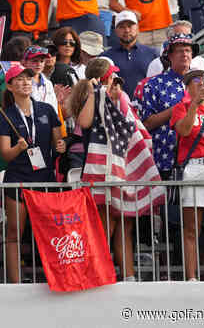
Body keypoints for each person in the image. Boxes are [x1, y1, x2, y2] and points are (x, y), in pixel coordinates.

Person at [69, 58, 136, 282]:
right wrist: (95, 93)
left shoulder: (118, 100)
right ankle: (96, 272)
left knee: (123, 224)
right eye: (110, 78)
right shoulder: (93, 98)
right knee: (104, 224)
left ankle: (128, 276)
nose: (115, 83)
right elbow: (84, 122)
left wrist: (115, 98)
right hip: (98, 171)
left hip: (120, 170)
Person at [0, 65, 64, 283]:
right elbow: (6, 154)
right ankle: (16, 283)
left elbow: (58, 142)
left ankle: (54, 277)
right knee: (15, 232)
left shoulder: (46, 109)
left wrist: (62, 145)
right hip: (18, 179)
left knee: (50, 231)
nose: (25, 82)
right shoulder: (6, 116)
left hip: (45, 178)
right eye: (19, 79)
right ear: (10, 86)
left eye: (28, 78)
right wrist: (18, 148)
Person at [171, 69, 204, 281]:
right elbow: (185, 131)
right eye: (197, 80)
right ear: (188, 87)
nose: (202, 83)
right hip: (194, 168)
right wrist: (195, 104)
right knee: (191, 227)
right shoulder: (182, 107)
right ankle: (191, 277)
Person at [140, 33, 196, 177]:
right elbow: (146, 124)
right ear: (169, 56)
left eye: (188, 50)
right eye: (179, 50)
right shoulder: (153, 84)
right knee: (170, 200)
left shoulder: (200, 84)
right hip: (166, 158)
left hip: (197, 160)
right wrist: (179, 108)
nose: (184, 54)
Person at [100, 11, 158, 99]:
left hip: (147, 108)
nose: (126, 30)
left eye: (130, 26)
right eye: (121, 27)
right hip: (117, 108)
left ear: (137, 28)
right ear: (115, 30)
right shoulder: (106, 57)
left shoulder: (152, 53)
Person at [21, 45, 58, 112]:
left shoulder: (48, 83)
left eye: (42, 61)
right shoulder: (20, 83)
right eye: (34, 61)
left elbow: (54, 109)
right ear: (24, 62)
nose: (39, 64)